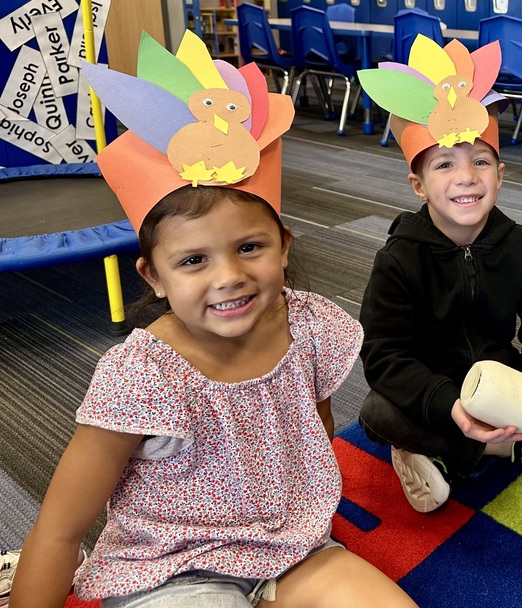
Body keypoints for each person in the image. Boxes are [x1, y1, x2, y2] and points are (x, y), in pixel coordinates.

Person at [9, 32, 416, 608]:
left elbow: (313, 438)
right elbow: (59, 530)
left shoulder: (310, 327)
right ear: (153, 277)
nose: (228, 276)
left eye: (250, 247)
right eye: (194, 260)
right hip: (171, 569)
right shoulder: (141, 376)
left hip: (294, 552)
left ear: (283, 246)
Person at [354, 35, 522, 513]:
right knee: (376, 412)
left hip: (496, 381)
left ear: (500, 175)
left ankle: (447, 455)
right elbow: (384, 356)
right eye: (445, 164)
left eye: (480, 161)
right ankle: (503, 447)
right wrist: (451, 408)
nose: (466, 177)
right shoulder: (399, 259)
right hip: (433, 389)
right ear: (418, 185)